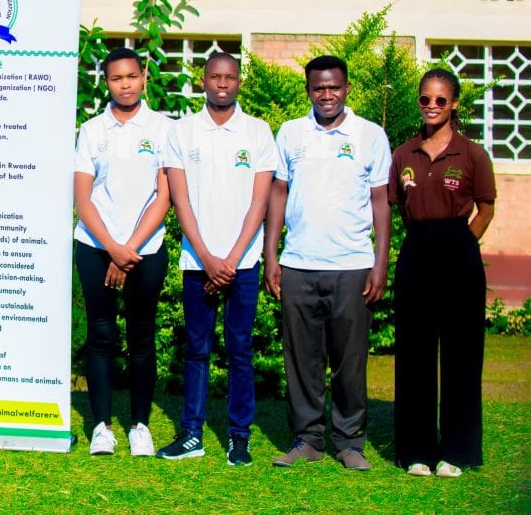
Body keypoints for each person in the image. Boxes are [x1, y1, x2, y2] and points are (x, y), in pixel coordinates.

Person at [263, 55, 391, 472]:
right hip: (298, 263)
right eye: (319, 88)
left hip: (352, 264)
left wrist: (379, 262)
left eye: (334, 86)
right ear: (308, 91)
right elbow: (278, 194)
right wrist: (271, 255)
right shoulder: (291, 133)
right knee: (301, 361)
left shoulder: (370, 135)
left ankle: (351, 441)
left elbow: (380, 202)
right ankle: (308, 438)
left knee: (349, 361)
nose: (327, 94)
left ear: (347, 88)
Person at [156, 52, 275, 466]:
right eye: (215, 77)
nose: (222, 84)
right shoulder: (182, 131)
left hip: (242, 263)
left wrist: (232, 258)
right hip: (198, 263)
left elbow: (259, 202)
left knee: (240, 350)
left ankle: (238, 436)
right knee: (197, 349)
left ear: (239, 82)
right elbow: (180, 200)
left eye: (230, 78)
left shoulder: (258, 133)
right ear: (203, 80)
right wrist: (207, 258)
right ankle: (192, 434)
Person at [389, 69, 495, 478]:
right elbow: (397, 203)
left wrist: (463, 242)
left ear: (453, 105)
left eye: (440, 100)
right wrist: (424, 239)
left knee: (461, 355)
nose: (431, 106)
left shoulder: (472, 155)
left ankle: (457, 450)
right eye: (425, 99)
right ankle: (416, 451)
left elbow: (486, 207)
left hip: (459, 254)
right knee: (415, 354)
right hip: (417, 252)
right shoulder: (404, 154)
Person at [73, 47, 173, 457]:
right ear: (107, 82)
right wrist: (112, 249)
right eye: (116, 78)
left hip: (145, 249)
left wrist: (128, 250)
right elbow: (83, 196)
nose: (125, 84)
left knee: (141, 338)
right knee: (101, 336)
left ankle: (140, 426)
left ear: (143, 78)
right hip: (96, 247)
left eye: (132, 76)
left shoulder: (165, 128)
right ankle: (101, 425)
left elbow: (165, 195)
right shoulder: (92, 130)